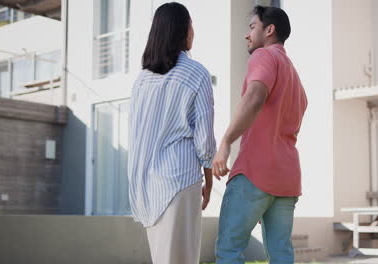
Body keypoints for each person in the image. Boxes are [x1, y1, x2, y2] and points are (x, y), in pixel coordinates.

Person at [212, 5, 308, 264]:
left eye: (252, 27)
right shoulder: (295, 78)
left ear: (269, 30)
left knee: (228, 250)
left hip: (255, 172)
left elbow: (255, 96)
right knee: (281, 254)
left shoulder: (264, 56)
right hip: (287, 179)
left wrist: (226, 141)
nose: (247, 34)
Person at [127, 3, 216, 264]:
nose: (193, 31)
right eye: (191, 24)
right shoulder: (196, 73)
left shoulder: (141, 80)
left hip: (148, 187)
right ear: (181, 30)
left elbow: (135, 136)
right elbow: (204, 140)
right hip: (180, 178)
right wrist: (208, 180)